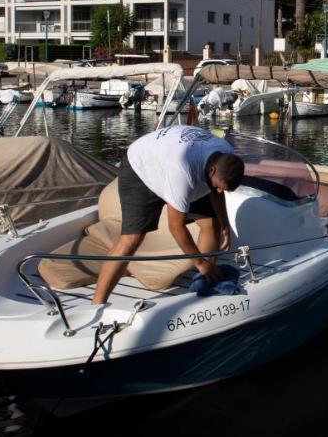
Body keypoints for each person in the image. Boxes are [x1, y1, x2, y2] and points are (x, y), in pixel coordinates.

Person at [91, 125, 245, 307]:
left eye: (223, 189)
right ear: (212, 170)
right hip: (141, 168)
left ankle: (206, 283)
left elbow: (217, 193)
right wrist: (200, 262)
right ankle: (97, 303)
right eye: (218, 186)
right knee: (131, 239)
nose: (219, 191)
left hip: (176, 159)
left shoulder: (225, 153)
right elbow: (175, 227)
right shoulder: (181, 171)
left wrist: (224, 222)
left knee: (211, 224)